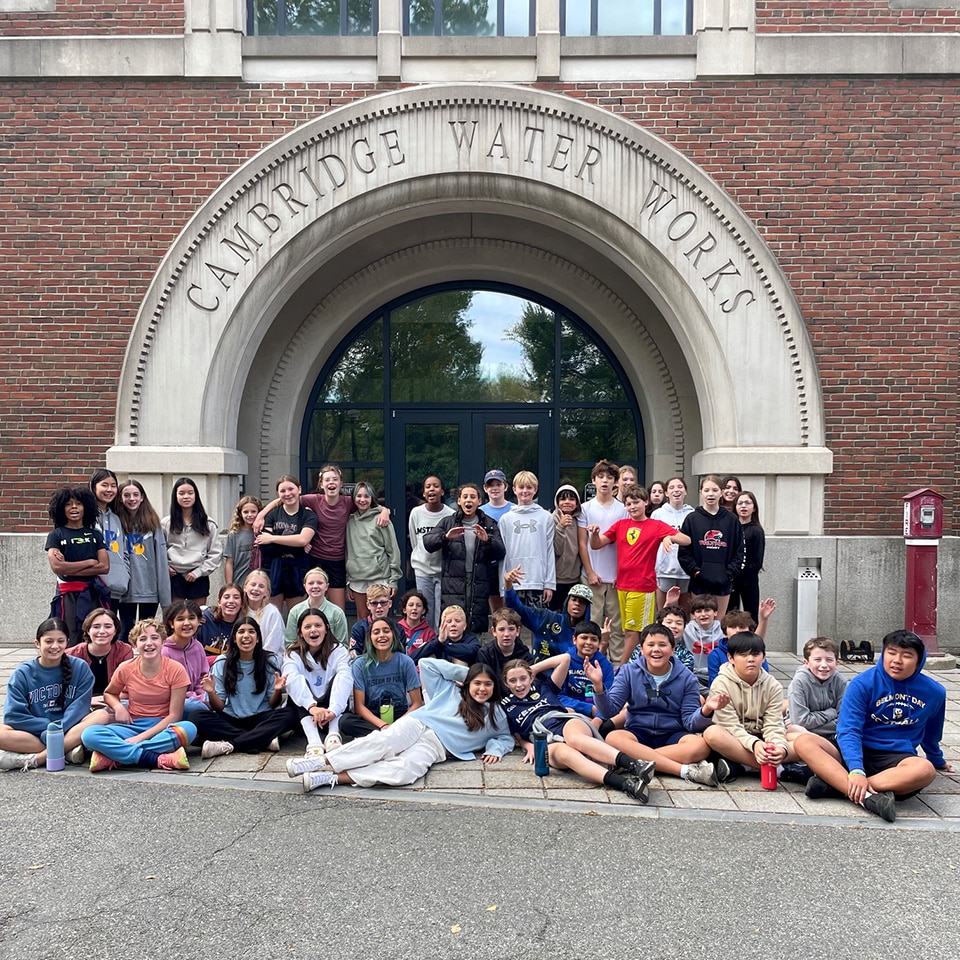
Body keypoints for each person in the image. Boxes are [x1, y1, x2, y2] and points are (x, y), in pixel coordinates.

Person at [794, 630, 952, 822]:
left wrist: (936, 759)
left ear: (919, 661)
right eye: (891, 652)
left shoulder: (934, 692)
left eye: (907, 655)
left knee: (925, 770)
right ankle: (869, 797)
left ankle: (837, 785)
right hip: (854, 749)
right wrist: (856, 769)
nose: (897, 660)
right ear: (883, 653)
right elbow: (849, 730)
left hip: (895, 758)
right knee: (804, 742)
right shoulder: (862, 684)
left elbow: (932, 732)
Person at [292, 660, 514, 792]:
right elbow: (426, 664)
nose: (482, 689)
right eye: (477, 683)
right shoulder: (450, 689)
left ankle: (330, 778)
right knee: (382, 742)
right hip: (419, 723)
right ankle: (318, 762)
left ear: (495, 687)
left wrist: (495, 749)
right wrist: (468, 674)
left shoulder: (496, 714)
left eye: (488, 684)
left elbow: (506, 737)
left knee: (404, 771)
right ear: (468, 683)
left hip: (437, 746)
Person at [585, 623, 729, 786]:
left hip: (673, 734)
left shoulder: (687, 678)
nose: (656, 650)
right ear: (641, 649)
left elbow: (690, 722)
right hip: (638, 731)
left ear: (673, 649)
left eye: (662, 645)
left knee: (700, 746)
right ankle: (685, 771)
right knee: (613, 738)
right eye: (651, 645)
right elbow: (609, 711)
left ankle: (635, 763)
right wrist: (598, 686)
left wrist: (706, 709)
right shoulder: (629, 672)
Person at [501, 656, 655, 803]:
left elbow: (564, 659)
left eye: (523, 678)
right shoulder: (506, 705)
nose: (519, 685)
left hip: (564, 722)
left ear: (531, 677)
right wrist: (529, 746)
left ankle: (634, 765)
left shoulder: (543, 687)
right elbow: (517, 734)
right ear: (506, 683)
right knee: (565, 754)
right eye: (512, 680)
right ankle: (627, 786)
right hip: (543, 739)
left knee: (574, 738)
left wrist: (530, 669)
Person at [255, 463, 391, 613]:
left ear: (341, 483)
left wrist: (384, 510)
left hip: (337, 561)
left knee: (338, 610)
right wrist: (261, 514)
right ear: (321, 484)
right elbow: (284, 499)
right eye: (327, 480)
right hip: (316, 559)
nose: (331, 482)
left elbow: (367, 504)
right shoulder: (314, 500)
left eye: (335, 479)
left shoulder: (348, 502)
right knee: (314, 609)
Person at [587, 483, 690, 665]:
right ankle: (635, 666)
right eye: (628, 504)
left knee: (633, 632)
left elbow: (686, 539)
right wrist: (594, 534)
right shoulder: (621, 524)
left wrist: (668, 537)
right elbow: (596, 545)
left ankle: (622, 668)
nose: (632, 507)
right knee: (626, 630)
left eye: (636, 502)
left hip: (642, 586)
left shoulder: (656, 525)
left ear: (646, 502)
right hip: (622, 586)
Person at [81, 618, 197, 772]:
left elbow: (174, 716)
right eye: (142, 639)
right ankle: (157, 759)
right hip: (133, 724)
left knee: (188, 729)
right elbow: (109, 693)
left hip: (162, 726)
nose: (149, 643)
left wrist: (140, 738)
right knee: (89, 734)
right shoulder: (126, 668)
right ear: (135, 645)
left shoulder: (176, 670)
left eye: (154, 638)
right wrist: (118, 707)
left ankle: (115, 757)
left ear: (163, 642)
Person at [0, 618, 106, 771]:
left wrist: (57, 729)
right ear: (37, 643)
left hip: (69, 728)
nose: (55, 646)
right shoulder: (22, 673)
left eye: (60, 641)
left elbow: (80, 708)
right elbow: (14, 716)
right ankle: (67, 750)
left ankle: (38, 758)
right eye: (49, 641)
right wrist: (48, 729)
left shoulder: (80, 668)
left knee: (102, 716)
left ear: (67, 642)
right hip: (34, 733)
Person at [192, 616, 294, 757]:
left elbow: (273, 704)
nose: (246, 636)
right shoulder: (222, 662)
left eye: (251, 631)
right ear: (234, 638)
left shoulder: (270, 661)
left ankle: (230, 745)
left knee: (290, 714)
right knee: (195, 716)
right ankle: (260, 739)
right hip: (231, 718)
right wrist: (211, 692)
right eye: (241, 632)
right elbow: (219, 707)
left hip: (261, 718)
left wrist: (277, 691)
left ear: (257, 638)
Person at [702, 631, 797, 776]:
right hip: (735, 739)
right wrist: (754, 744)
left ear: (763, 657)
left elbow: (773, 724)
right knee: (712, 734)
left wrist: (779, 748)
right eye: (743, 655)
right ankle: (779, 769)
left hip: (763, 736)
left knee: (804, 741)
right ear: (731, 658)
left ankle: (744, 765)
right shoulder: (721, 684)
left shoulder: (773, 686)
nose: (750, 659)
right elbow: (729, 725)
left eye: (755, 654)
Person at [422, 482, 506, 635]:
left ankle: (475, 645)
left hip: (478, 579)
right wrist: (445, 537)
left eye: (473, 497)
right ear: (459, 501)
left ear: (479, 501)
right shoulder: (448, 522)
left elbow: (501, 552)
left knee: (475, 618)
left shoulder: (488, 523)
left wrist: (488, 540)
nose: (469, 500)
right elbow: (428, 542)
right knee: (454, 620)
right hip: (453, 580)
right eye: (465, 497)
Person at [577, 460, 628, 662]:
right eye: (600, 477)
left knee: (617, 624)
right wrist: (590, 572)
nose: (605, 481)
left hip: (616, 577)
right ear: (593, 480)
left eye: (609, 478)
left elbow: (625, 544)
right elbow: (582, 544)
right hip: (592, 576)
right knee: (593, 622)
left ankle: (616, 663)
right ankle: (589, 660)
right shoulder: (585, 508)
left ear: (615, 482)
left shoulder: (623, 509)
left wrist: (620, 573)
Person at [283, 609, 352, 756]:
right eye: (307, 627)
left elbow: (345, 677)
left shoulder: (338, 650)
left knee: (341, 677)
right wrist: (312, 707)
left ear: (326, 628)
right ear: (300, 632)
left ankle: (333, 735)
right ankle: (314, 741)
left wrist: (333, 710)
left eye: (318, 625)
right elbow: (290, 678)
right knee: (297, 683)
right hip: (306, 713)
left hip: (332, 712)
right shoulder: (292, 653)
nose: (313, 630)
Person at [341, 617, 423, 741]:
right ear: (370, 638)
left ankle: (381, 738)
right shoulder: (360, 664)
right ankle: (390, 737)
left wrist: (398, 725)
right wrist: (383, 726)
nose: (382, 635)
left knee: (422, 718)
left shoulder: (406, 662)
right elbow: (359, 706)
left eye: (386, 631)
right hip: (372, 717)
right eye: (376, 632)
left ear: (393, 635)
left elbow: (417, 703)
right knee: (345, 722)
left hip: (400, 715)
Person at [45, 487, 110, 643]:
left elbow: (104, 567)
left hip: (93, 593)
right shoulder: (56, 535)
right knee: (70, 634)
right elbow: (57, 568)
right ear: (61, 509)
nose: (74, 507)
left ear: (86, 507)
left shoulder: (95, 535)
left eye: (78, 503)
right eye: (68, 504)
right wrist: (89, 562)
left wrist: (69, 567)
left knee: (94, 633)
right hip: (68, 595)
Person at [677, 474, 743, 618]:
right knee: (699, 622)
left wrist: (728, 574)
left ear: (721, 492)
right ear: (701, 493)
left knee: (718, 623)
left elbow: (739, 551)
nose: (710, 494)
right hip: (699, 583)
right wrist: (696, 572)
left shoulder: (731, 520)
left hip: (723, 583)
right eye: (706, 490)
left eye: (715, 490)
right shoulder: (692, 519)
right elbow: (684, 552)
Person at [116, 479, 171, 642]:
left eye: (135, 494)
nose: (131, 499)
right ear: (120, 498)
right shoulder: (116, 522)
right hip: (126, 591)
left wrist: (165, 599)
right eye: (126, 495)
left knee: (147, 632)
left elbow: (161, 561)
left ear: (142, 497)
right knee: (126, 632)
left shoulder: (153, 524)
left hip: (149, 590)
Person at [255, 475, 317, 615]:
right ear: (278, 494)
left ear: (299, 489)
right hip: (272, 568)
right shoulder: (272, 514)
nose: (287, 494)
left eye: (291, 489)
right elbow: (265, 546)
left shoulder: (308, 515)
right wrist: (297, 544)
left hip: (297, 569)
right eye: (283, 491)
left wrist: (273, 538)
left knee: (297, 615)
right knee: (272, 614)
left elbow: (303, 540)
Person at [503, 567, 593, 660]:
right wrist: (508, 584)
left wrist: (602, 642)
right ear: (567, 602)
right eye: (574, 600)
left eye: (582, 602)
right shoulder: (546, 618)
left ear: (587, 608)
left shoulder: (590, 633)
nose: (577, 604)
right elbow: (516, 609)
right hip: (538, 668)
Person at [345, 480, 402, 619]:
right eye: (359, 496)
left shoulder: (381, 519)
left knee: (380, 617)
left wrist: (394, 579)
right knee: (362, 617)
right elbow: (347, 551)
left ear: (372, 498)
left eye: (366, 496)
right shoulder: (349, 521)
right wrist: (347, 581)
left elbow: (393, 550)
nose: (362, 500)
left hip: (379, 576)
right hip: (357, 577)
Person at [498, 470, 555, 608]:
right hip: (513, 582)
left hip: (537, 581)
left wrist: (549, 584)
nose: (525, 491)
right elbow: (502, 554)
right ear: (514, 490)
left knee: (537, 621)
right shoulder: (506, 519)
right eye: (521, 487)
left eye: (529, 487)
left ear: (535, 490)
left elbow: (549, 551)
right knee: (512, 620)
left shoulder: (545, 517)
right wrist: (503, 586)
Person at [162, 476, 222, 606]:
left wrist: (199, 572)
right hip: (174, 575)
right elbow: (160, 549)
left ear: (196, 495)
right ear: (175, 496)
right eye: (181, 493)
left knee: (197, 614)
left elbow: (215, 553)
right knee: (176, 614)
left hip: (198, 576)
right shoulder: (166, 523)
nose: (186, 497)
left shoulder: (208, 523)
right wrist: (165, 567)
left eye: (190, 493)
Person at [407, 475, 454, 632]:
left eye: (435, 486)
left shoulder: (450, 514)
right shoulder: (416, 513)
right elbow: (415, 541)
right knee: (425, 611)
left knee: (442, 614)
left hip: (444, 572)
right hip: (423, 571)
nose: (431, 489)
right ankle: (426, 642)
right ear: (423, 493)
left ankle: (441, 643)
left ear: (442, 491)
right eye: (428, 487)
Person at [66, 607, 133, 708]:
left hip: (114, 702)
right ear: (88, 630)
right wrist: (88, 700)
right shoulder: (71, 654)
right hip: (81, 703)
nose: (102, 631)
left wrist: (108, 700)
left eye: (108, 626)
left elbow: (127, 688)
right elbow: (66, 689)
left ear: (115, 630)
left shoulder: (124, 651)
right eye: (96, 627)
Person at [786, 636, 847, 741]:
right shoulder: (799, 682)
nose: (824, 665)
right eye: (817, 660)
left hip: (818, 734)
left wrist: (806, 730)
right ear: (806, 663)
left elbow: (845, 721)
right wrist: (831, 713)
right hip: (802, 738)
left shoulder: (840, 682)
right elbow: (800, 721)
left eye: (829, 660)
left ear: (836, 663)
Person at [651, 477, 695, 612]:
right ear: (666, 493)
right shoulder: (658, 514)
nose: (676, 490)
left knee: (684, 613)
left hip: (686, 572)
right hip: (665, 570)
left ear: (686, 491)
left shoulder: (692, 514)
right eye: (672, 487)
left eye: (680, 487)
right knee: (664, 613)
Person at [706, 602, 776, 686]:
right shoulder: (716, 654)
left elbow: (764, 679)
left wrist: (764, 619)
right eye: (733, 627)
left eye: (742, 627)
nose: (738, 630)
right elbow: (715, 683)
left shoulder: (756, 654)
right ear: (725, 632)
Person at [89, 468, 130, 609]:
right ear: (93, 487)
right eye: (104, 485)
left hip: (116, 588)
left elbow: (124, 552)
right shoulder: (87, 517)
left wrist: (125, 575)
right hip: (92, 588)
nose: (109, 490)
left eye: (113, 486)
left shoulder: (116, 518)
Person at [161, 599, 209, 716]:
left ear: (199, 621)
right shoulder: (164, 651)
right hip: (172, 702)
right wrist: (195, 699)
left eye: (191, 618)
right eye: (180, 619)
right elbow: (165, 689)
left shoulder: (197, 647)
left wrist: (202, 696)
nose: (187, 623)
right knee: (194, 707)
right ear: (171, 624)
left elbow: (203, 678)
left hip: (198, 699)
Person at [558, 620, 615, 718]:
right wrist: (589, 708)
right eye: (584, 638)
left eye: (594, 639)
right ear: (574, 640)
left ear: (599, 643)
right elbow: (558, 695)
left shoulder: (605, 665)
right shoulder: (564, 661)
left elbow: (610, 698)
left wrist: (598, 718)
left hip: (599, 714)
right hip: (572, 710)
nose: (588, 642)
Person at [284, 567, 349, 649]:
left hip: (330, 654)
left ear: (326, 586)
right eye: (311, 583)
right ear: (305, 586)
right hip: (302, 654)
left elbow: (342, 644)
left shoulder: (337, 612)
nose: (315, 586)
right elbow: (290, 643)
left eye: (320, 583)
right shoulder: (295, 611)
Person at [729, 490, 765, 623]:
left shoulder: (756, 531)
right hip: (731, 579)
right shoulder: (731, 529)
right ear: (735, 507)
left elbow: (757, 560)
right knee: (731, 615)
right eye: (740, 503)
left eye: (747, 503)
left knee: (751, 617)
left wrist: (743, 574)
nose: (743, 506)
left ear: (754, 508)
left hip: (749, 580)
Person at [479, 469, 512, 613]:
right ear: (485, 488)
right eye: (491, 485)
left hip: (510, 564)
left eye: (498, 484)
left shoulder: (515, 509)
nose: (495, 488)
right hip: (490, 565)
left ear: (505, 486)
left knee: (512, 607)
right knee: (497, 611)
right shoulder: (480, 512)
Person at [411, 604, 480, 667]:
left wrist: (442, 646)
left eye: (457, 621)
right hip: (438, 676)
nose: (453, 624)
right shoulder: (438, 641)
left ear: (464, 626)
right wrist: (439, 641)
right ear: (442, 625)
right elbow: (413, 659)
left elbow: (472, 652)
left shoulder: (471, 641)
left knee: (460, 661)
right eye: (449, 621)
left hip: (463, 676)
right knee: (428, 655)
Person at [550, 483, 582, 612]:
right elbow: (556, 549)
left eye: (571, 499)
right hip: (557, 578)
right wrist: (560, 527)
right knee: (556, 613)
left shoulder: (580, 520)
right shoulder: (552, 519)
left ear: (577, 503)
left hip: (575, 576)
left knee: (572, 612)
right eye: (563, 499)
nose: (567, 502)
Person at [242, 569, 286, 657]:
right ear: (245, 587)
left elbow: (272, 647)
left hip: (269, 658)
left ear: (266, 592)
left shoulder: (272, 613)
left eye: (261, 586)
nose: (256, 589)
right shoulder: (240, 611)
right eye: (253, 584)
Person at [198, 583, 246, 662]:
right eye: (226, 597)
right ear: (219, 602)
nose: (231, 601)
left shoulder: (243, 627)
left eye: (236, 597)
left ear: (242, 604)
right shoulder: (204, 619)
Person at [477, 607, 533, 675]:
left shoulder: (524, 654)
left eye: (511, 629)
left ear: (518, 631)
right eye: (501, 630)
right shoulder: (485, 653)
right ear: (494, 631)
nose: (506, 634)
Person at [224, 495, 263, 588]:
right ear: (240, 513)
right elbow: (229, 562)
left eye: (253, 511)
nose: (249, 515)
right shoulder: (234, 534)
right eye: (246, 512)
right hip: (239, 582)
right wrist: (229, 586)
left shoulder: (263, 532)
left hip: (259, 583)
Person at [348, 584, 394, 658]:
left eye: (383, 603)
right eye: (374, 603)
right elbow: (354, 656)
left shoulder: (397, 628)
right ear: (368, 605)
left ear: (390, 603)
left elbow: (400, 655)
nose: (379, 606)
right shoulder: (359, 628)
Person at [396, 589, 436, 659]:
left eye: (418, 605)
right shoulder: (396, 629)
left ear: (423, 610)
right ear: (404, 610)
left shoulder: (429, 633)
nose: (414, 608)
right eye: (411, 605)